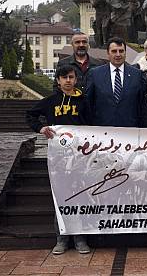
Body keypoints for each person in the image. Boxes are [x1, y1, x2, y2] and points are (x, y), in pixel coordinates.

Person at [24, 64, 91, 255]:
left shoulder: (83, 101)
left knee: (79, 196)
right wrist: (41, 128)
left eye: (71, 77)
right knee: (60, 197)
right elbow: (30, 114)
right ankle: (61, 238)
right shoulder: (50, 101)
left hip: (79, 157)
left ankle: (80, 239)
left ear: (76, 80)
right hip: (58, 158)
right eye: (64, 78)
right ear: (58, 81)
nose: (68, 81)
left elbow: (91, 124)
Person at [85, 37, 144, 127]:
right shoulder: (95, 73)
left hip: (130, 130)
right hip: (102, 129)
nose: (118, 54)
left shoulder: (137, 74)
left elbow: (140, 104)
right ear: (108, 53)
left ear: (125, 53)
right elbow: (89, 103)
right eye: (114, 51)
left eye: (121, 51)